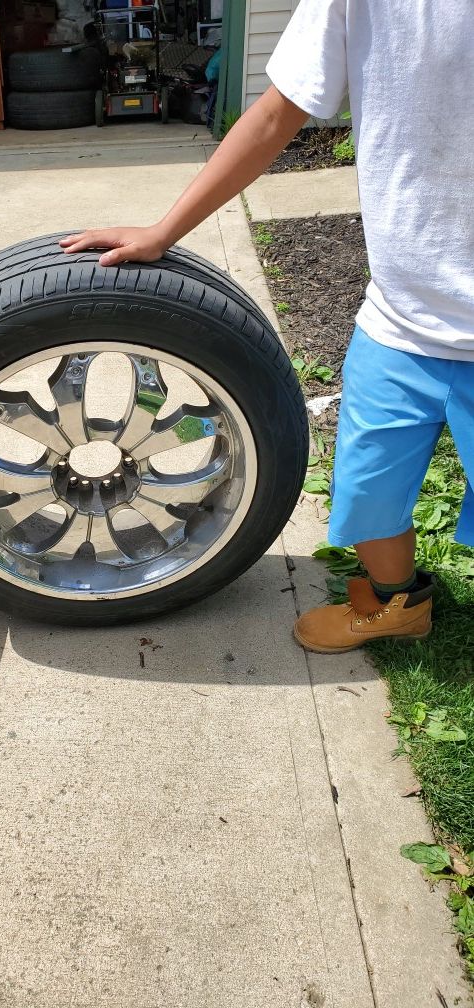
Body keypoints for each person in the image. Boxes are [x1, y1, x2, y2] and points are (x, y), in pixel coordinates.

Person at [60, 0, 474, 654]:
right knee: (370, 487)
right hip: (399, 322)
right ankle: (398, 604)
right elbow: (277, 113)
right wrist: (165, 231)